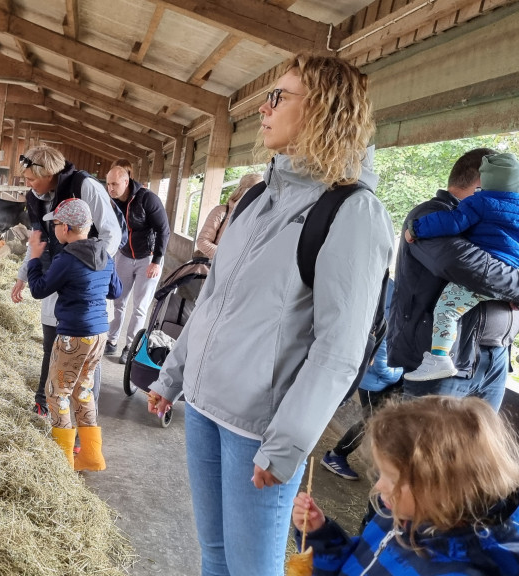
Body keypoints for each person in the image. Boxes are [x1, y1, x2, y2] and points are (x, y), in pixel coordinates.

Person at [146, 54, 394, 576]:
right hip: (206, 405)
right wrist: (171, 377)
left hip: (259, 427)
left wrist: (285, 445)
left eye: (279, 96)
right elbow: (212, 297)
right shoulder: (258, 196)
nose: (264, 107)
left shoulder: (351, 211)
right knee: (214, 556)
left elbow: (337, 349)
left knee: (252, 568)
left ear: (325, 109)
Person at [292, 395, 519, 575]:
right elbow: (358, 562)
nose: (379, 487)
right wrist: (320, 536)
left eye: (392, 478)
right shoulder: (396, 517)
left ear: (442, 489)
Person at [387, 148, 519, 411]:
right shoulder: (431, 216)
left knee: (474, 451)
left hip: (494, 357)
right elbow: (469, 266)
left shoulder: (492, 222)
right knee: (426, 450)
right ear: (483, 184)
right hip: (448, 361)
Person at [11, 146, 122, 416]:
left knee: (85, 365)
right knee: (53, 342)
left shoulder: (85, 186)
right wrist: (22, 276)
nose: (27, 183)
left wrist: (88, 271)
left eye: (31, 178)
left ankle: (78, 417)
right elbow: (36, 241)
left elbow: (112, 233)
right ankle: (43, 402)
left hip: (86, 279)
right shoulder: (34, 197)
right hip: (57, 270)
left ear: (48, 173)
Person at [26, 198, 122, 470]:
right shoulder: (105, 254)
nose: (54, 229)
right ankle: (91, 456)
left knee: (57, 394)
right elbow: (115, 291)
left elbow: (39, 289)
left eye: (55, 224)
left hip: (73, 336)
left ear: (65, 227)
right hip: (99, 335)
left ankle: (62, 458)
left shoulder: (66, 259)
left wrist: (34, 258)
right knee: (83, 389)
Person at [321, 278, 403, 481]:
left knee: (372, 421)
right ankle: (336, 456)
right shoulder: (393, 313)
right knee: (371, 422)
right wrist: (401, 372)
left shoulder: (387, 295)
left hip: (375, 379)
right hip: (374, 381)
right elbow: (382, 362)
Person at [103, 165, 170, 358]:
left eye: (115, 184)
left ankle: (130, 347)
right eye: (108, 184)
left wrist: (156, 261)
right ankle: (112, 339)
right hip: (124, 255)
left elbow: (163, 230)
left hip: (147, 258)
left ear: (126, 181)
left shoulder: (147, 199)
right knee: (118, 300)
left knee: (140, 306)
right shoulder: (112, 202)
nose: (111, 188)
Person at [194, 172, 263, 259]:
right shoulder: (221, 211)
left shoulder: (260, 216)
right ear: (244, 190)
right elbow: (202, 242)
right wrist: (228, 257)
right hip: (215, 267)